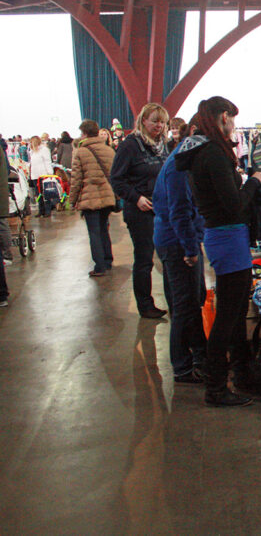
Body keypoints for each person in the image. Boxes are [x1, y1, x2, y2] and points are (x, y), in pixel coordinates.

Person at [176, 96, 261, 407]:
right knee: (229, 315)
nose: (234, 125)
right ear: (223, 117)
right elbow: (234, 204)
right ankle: (217, 387)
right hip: (228, 237)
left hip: (224, 236)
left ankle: (240, 375)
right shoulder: (212, 153)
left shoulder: (200, 150)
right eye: (233, 119)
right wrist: (254, 181)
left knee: (237, 310)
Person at [152, 115, 207, 385]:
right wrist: (190, 248)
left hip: (178, 240)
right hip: (176, 243)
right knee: (184, 306)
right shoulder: (178, 166)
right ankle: (183, 368)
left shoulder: (179, 161)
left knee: (192, 301)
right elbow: (179, 212)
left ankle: (199, 358)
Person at [111, 102, 171, 319]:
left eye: (162, 122)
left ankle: (172, 299)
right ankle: (145, 305)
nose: (159, 125)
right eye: (155, 121)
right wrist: (136, 198)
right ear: (143, 120)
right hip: (140, 212)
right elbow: (116, 179)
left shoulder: (164, 144)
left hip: (162, 210)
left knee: (167, 256)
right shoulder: (130, 145)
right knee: (144, 259)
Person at [68, 120, 118, 278]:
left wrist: (72, 200)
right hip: (107, 196)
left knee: (94, 232)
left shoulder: (81, 152)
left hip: (90, 198)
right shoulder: (109, 150)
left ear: (84, 133)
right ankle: (108, 261)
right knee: (104, 229)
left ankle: (99, 266)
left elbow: (76, 179)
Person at [28, 136, 54, 216]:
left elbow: (48, 162)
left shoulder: (44, 150)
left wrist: (50, 174)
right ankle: (41, 210)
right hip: (35, 176)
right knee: (38, 194)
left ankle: (47, 210)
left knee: (46, 193)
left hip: (44, 175)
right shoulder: (32, 151)